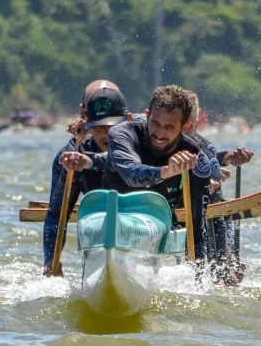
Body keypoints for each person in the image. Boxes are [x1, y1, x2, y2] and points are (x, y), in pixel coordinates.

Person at [59, 85, 215, 270]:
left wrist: (196, 282)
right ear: (147, 115)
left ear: (186, 127)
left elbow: (197, 230)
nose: (159, 133)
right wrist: (167, 171)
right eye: (155, 123)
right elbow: (132, 174)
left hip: (158, 219)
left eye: (169, 127)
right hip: (112, 212)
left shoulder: (195, 159)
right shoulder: (123, 133)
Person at [42, 80, 132, 276]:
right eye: (99, 127)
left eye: (112, 126)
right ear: (87, 122)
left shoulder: (143, 140)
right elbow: (56, 214)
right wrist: (51, 261)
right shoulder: (72, 155)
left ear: (126, 121)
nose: (106, 134)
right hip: (99, 223)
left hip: (136, 222)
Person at [184, 91, 254, 284]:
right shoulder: (162, 137)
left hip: (199, 207)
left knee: (218, 200)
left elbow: (210, 157)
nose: (186, 130)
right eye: (181, 125)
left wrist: (227, 158)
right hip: (174, 204)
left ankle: (224, 267)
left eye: (190, 126)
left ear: (196, 123)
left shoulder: (202, 144)